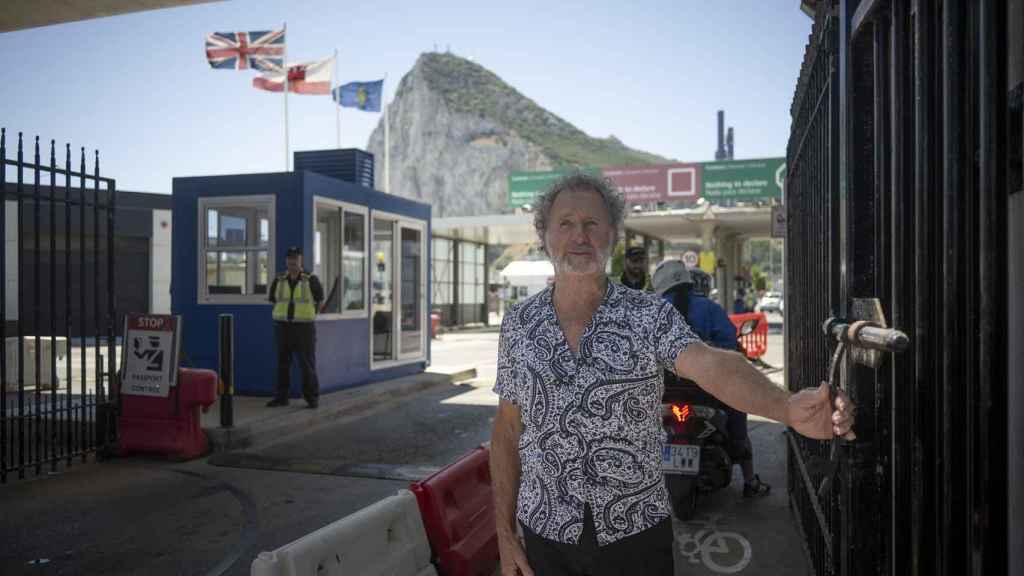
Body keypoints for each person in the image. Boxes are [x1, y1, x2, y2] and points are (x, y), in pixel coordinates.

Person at [490, 173, 855, 576]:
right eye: (566, 223)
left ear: (612, 233)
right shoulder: (519, 324)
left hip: (634, 535)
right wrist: (505, 536)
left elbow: (712, 364)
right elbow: (507, 431)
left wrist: (785, 407)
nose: (580, 235)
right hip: (545, 533)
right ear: (544, 234)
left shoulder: (648, 315)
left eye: (592, 223)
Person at [652, 260, 770, 498]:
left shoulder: (652, 311)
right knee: (738, 413)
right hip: (709, 390)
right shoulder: (709, 308)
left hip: (662, 392)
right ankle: (749, 482)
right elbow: (730, 349)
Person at [267, 246, 323, 409]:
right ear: (286, 260)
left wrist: (309, 315)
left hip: (304, 328)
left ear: (301, 260)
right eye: (290, 258)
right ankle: (281, 397)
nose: (292, 261)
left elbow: (319, 300)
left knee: (307, 364)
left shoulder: (311, 279)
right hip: (283, 327)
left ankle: (312, 398)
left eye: (295, 258)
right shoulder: (279, 279)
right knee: (283, 363)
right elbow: (273, 299)